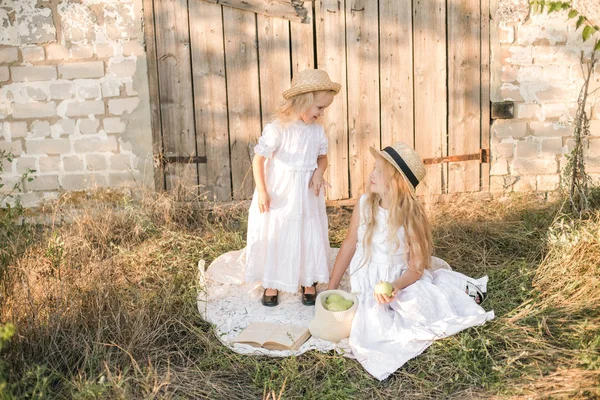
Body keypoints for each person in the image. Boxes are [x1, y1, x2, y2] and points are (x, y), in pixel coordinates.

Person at [327, 142, 494, 380]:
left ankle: (464, 293)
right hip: (368, 280)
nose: (371, 174)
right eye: (374, 168)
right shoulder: (365, 205)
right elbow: (348, 245)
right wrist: (332, 287)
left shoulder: (410, 216)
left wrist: (396, 286)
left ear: (395, 182)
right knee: (371, 320)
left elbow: (415, 268)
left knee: (417, 308)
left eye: (379, 172)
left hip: (401, 279)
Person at [245, 69, 341, 307]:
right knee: (278, 233)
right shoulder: (278, 128)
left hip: (307, 194)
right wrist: (262, 190)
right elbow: (259, 159)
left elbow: (323, 158)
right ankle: (272, 281)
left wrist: (319, 173)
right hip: (280, 193)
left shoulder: (317, 131)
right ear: (304, 102)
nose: (322, 114)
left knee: (308, 233)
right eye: (319, 108)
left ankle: (308, 280)